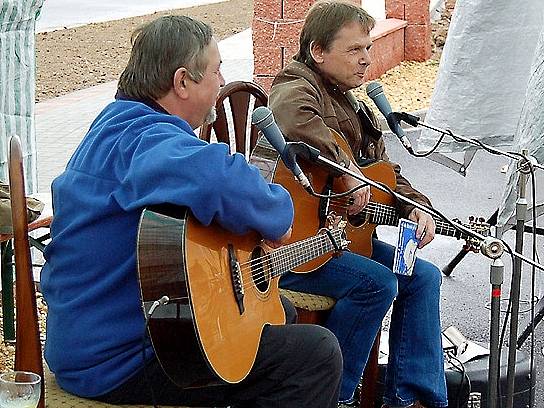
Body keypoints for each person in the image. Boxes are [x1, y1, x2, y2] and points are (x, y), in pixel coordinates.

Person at [41, 15, 342, 408]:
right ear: (182, 82)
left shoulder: (114, 126)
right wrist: (276, 214)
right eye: (216, 71)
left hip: (91, 340)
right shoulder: (147, 141)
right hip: (118, 364)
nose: (221, 82)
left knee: (275, 311)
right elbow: (222, 180)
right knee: (316, 355)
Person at [269, 2, 448, 408]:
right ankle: (336, 396)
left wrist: (415, 206)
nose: (367, 58)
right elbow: (290, 117)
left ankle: (411, 399)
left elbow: (384, 173)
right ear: (318, 51)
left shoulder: (353, 103)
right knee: (377, 283)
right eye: (355, 50)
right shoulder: (296, 82)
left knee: (423, 278)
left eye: (367, 48)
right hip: (296, 246)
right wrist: (344, 168)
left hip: (341, 241)